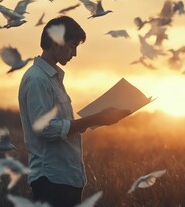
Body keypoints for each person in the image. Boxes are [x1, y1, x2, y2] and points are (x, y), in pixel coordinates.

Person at [18, 16, 130, 207]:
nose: (75, 53)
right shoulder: (37, 79)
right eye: (72, 46)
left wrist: (91, 121)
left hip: (66, 178)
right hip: (51, 181)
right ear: (56, 42)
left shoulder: (53, 79)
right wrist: (95, 118)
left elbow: (61, 127)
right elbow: (45, 129)